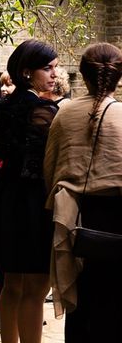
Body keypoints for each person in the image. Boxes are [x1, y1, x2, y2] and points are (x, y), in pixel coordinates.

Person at [45, 42, 122, 342]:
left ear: (84, 75)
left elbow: (50, 170)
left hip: (75, 218)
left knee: (82, 299)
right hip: (117, 217)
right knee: (115, 301)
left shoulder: (64, 114)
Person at [0, 39, 58, 343]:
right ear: (27, 72)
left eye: (55, 67)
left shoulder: (5, 105)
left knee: (12, 282)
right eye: (48, 68)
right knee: (37, 287)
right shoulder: (41, 108)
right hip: (32, 200)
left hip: (6, 196)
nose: (54, 73)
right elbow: (48, 160)